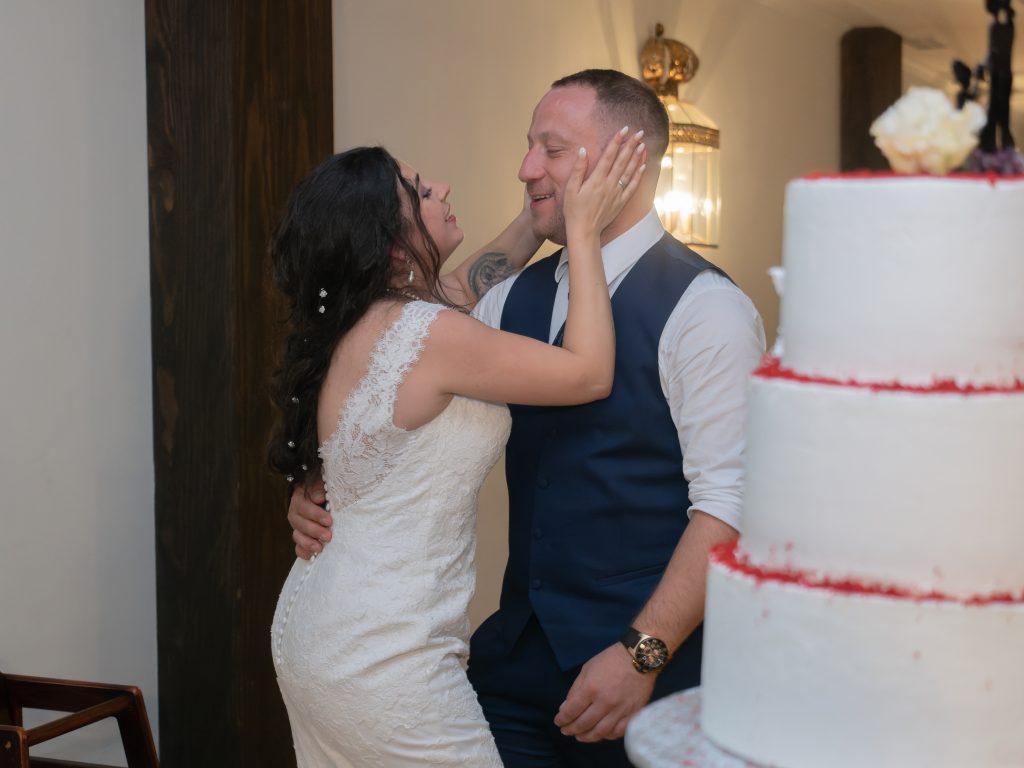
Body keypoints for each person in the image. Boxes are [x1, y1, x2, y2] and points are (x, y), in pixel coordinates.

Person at [290, 69, 766, 767]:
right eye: (527, 146)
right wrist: (324, 482)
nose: (525, 168)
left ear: (625, 160)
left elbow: (730, 505)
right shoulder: (503, 302)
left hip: (649, 675)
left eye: (553, 149)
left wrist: (641, 655)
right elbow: (383, 364)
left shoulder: (708, 310)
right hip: (510, 667)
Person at [268, 130, 646, 767]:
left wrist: (546, 206)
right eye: (419, 190)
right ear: (392, 248)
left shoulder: (367, 321)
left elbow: (480, 274)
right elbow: (587, 374)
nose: (440, 188)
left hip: (317, 629)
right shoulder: (432, 332)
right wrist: (581, 232)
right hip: (385, 654)